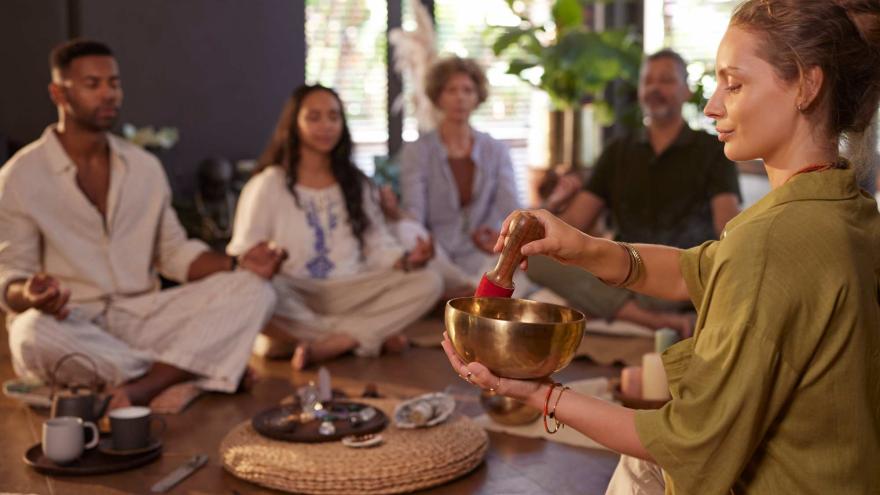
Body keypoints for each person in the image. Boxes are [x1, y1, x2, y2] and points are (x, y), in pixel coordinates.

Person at [443, 1, 880, 493]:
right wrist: (582, 246)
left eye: (733, 84)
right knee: (636, 470)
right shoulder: (851, 207)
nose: (713, 105)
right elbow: (696, 269)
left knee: (640, 467)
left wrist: (539, 394)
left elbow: (688, 443)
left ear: (807, 84)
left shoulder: (770, 241)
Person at [0, 39, 286, 409]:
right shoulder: (19, 176)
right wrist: (32, 293)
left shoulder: (144, 167)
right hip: (74, 323)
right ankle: (185, 373)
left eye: (114, 83)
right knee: (29, 334)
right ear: (58, 93)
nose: (108, 94)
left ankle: (144, 384)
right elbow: (10, 276)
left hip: (144, 315)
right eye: (92, 84)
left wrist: (239, 263)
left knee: (256, 291)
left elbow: (174, 253)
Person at [528, 49, 741, 336]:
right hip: (623, 273)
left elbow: (726, 224)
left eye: (666, 80)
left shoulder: (712, 150)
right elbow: (575, 222)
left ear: (686, 90)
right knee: (536, 258)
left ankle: (617, 310)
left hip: (680, 281)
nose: (655, 88)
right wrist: (552, 204)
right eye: (648, 81)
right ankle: (649, 321)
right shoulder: (618, 151)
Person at [229, 84, 443, 370]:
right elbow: (244, 255)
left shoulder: (357, 183)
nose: (326, 126)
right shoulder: (267, 184)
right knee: (252, 288)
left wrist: (407, 260)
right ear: (294, 124)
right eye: (313, 117)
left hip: (351, 289)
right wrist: (261, 263)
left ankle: (319, 341)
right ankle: (367, 336)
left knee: (429, 281)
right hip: (294, 290)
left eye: (333, 117)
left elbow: (377, 246)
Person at [400, 56, 526, 295]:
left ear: (478, 96)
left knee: (521, 258)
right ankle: (471, 294)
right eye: (451, 90)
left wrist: (495, 235)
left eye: (467, 90)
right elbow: (414, 213)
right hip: (438, 254)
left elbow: (511, 208)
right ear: (438, 96)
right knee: (407, 232)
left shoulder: (496, 150)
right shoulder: (417, 150)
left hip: (483, 252)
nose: (460, 97)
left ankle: (463, 295)